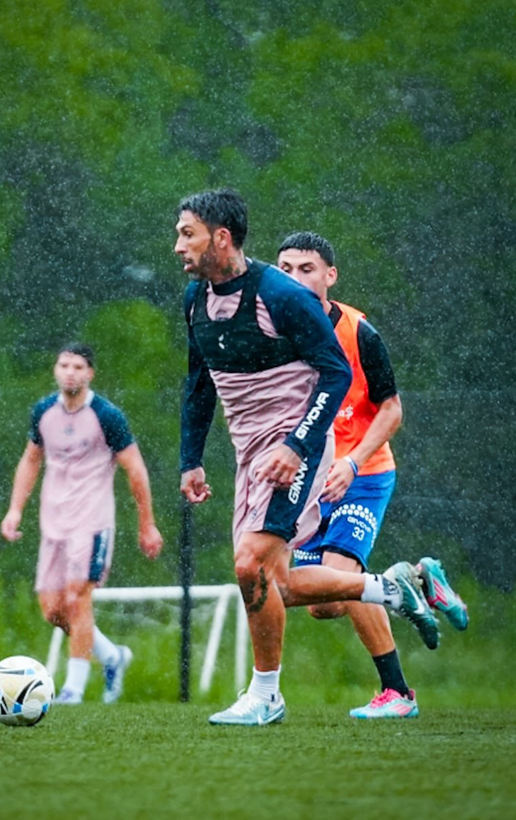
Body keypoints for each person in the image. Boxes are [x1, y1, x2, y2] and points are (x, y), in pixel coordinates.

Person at [174, 189, 441, 727]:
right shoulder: (194, 299)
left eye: (187, 233)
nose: (178, 245)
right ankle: (391, 587)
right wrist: (190, 459)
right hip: (251, 455)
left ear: (220, 238)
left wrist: (296, 445)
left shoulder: (280, 295)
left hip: (297, 448)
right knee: (275, 582)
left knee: (249, 564)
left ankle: (267, 694)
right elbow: (198, 384)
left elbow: (336, 373)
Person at [276, 231, 469, 719]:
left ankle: (399, 694)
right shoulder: (274, 332)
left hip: (364, 473)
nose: (295, 279)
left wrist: (353, 460)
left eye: (307, 269)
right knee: (321, 601)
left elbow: (392, 410)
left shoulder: (359, 331)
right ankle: (414, 580)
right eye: (285, 270)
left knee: (343, 580)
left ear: (330, 275)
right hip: (309, 479)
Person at [0, 343, 163, 705]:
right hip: (53, 523)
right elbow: (30, 460)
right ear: (55, 370)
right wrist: (15, 510)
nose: (70, 372)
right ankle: (113, 657)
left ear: (90, 373)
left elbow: (135, 469)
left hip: (92, 523)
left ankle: (73, 688)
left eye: (78, 366)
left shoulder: (107, 415)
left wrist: (146, 524)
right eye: (63, 365)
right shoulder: (43, 411)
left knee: (77, 599)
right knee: (53, 609)